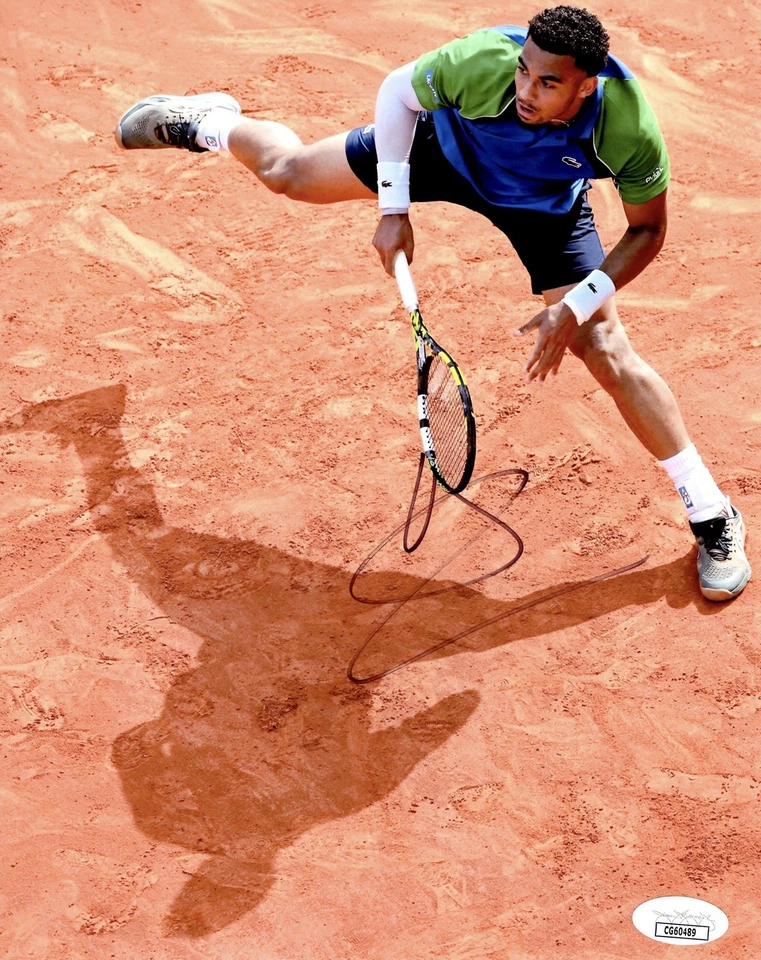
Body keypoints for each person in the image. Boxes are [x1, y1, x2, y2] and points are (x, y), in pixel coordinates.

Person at [114, 5, 750, 601]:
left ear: (586, 87)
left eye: (548, 83)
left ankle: (711, 513)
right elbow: (398, 92)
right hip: (442, 152)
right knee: (289, 174)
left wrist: (576, 306)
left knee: (604, 346)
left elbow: (647, 231)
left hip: (543, 206)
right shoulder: (481, 63)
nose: (526, 91)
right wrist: (394, 207)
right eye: (523, 71)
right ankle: (209, 123)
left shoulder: (627, 127)